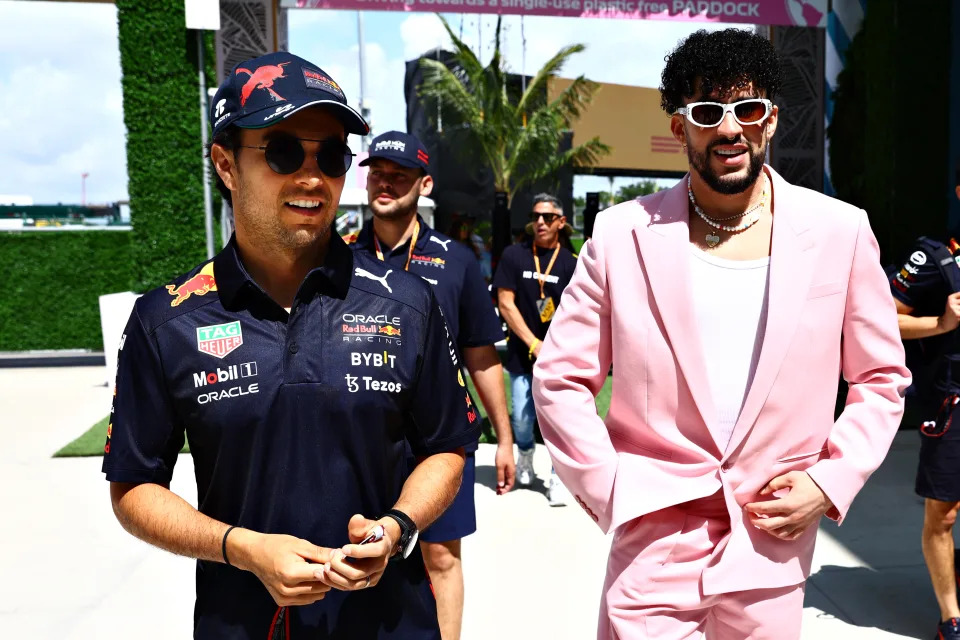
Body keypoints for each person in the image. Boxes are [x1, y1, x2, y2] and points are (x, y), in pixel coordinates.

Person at [532, 28, 909, 639]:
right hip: (651, 544)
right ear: (681, 128)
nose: (730, 128)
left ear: (771, 120)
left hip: (772, 540)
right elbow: (560, 379)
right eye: (709, 111)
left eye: (749, 109)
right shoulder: (620, 234)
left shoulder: (839, 232)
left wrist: (829, 481)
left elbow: (881, 378)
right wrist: (613, 492)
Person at [102, 52, 477, 639]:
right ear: (226, 166)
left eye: (330, 156)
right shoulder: (165, 321)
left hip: (390, 624)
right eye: (282, 152)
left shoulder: (406, 303)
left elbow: (448, 447)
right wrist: (241, 547)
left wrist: (398, 527)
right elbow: (133, 486)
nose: (311, 178)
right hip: (243, 624)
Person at [346, 130, 515, 640]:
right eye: (378, 173)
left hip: (439, 440)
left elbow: (481, 355)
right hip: (365, 437)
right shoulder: (340, 255)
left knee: (440, 555)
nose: (385, 183)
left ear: (424, 184)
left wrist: (504, 438)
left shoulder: (457, 260)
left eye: (399, 175)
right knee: (361, 549)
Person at [890, 164, 960, 640]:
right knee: (944, 512)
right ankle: (950, 618)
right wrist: (942, 324)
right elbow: (883, 317)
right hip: (953, 403)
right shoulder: (934, 257)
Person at [493, 193, 578, 506]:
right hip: (522, 355)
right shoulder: (514, 256)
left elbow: (579, 312)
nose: (539, 222)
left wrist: (556, 348)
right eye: (535, 216)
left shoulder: (571, 264)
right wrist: (532, 343)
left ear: (561, 222)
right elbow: (505, 302)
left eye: (547, 217)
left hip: (560, 358)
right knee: (523, 419)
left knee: (558, 419)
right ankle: (526, 455)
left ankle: (558, 476)